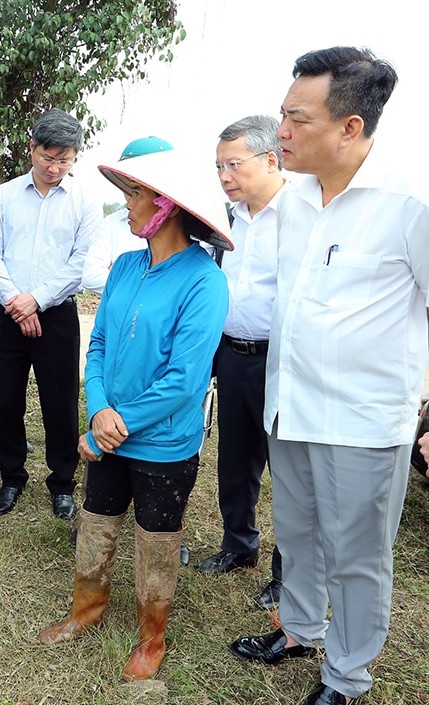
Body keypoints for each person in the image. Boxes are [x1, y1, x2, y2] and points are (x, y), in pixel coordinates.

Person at [230, 47, 429, 705]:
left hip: (363, 421)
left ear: (350, 127)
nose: (280, 132)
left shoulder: (410, 202)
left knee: (358, 555)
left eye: (296, 118)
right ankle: (299, 627)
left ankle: (346, 677)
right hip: (290, 407)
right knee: (300, 531)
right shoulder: (295, 203)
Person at [38, 146, 231, 683]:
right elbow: (97, 344)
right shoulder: (124, 266)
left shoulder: (204, 281)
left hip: (164, 444)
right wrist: (98, 407)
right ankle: (85, 612)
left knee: (158, 541)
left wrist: (111, 428)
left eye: (136, 195)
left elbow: (184, 382)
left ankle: (152, 639)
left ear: (166, 206)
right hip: (110, 434)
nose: (126, 206)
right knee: (95, 525)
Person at [0, 109, 102, 520]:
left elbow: (80, 262)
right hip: (7, 314)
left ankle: (62, 481)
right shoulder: (3, 195)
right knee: (6, 399)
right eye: (48, 157)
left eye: (64, 160)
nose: (54, 167)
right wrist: (18, 302)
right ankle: (12, 476)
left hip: (57, 317)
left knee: (60, 401)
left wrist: (38, 300)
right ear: (30, 148)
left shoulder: (84, 200)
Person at [195, 116, 286, 612]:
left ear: (271, 160)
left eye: (234, 164)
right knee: (235, 460)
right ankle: (238, 544)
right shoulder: (224, 220)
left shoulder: (301, 215)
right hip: (232, 354)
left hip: (281, 361)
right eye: (218, 167)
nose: (225, 176)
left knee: (288, 471)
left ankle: (287, 574)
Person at [80, 137, 170, 296]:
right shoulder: (112, 223)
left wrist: (119, 277)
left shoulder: (187, 232)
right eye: (126, 181)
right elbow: (91, 277)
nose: (129, 195)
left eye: (137, 190)